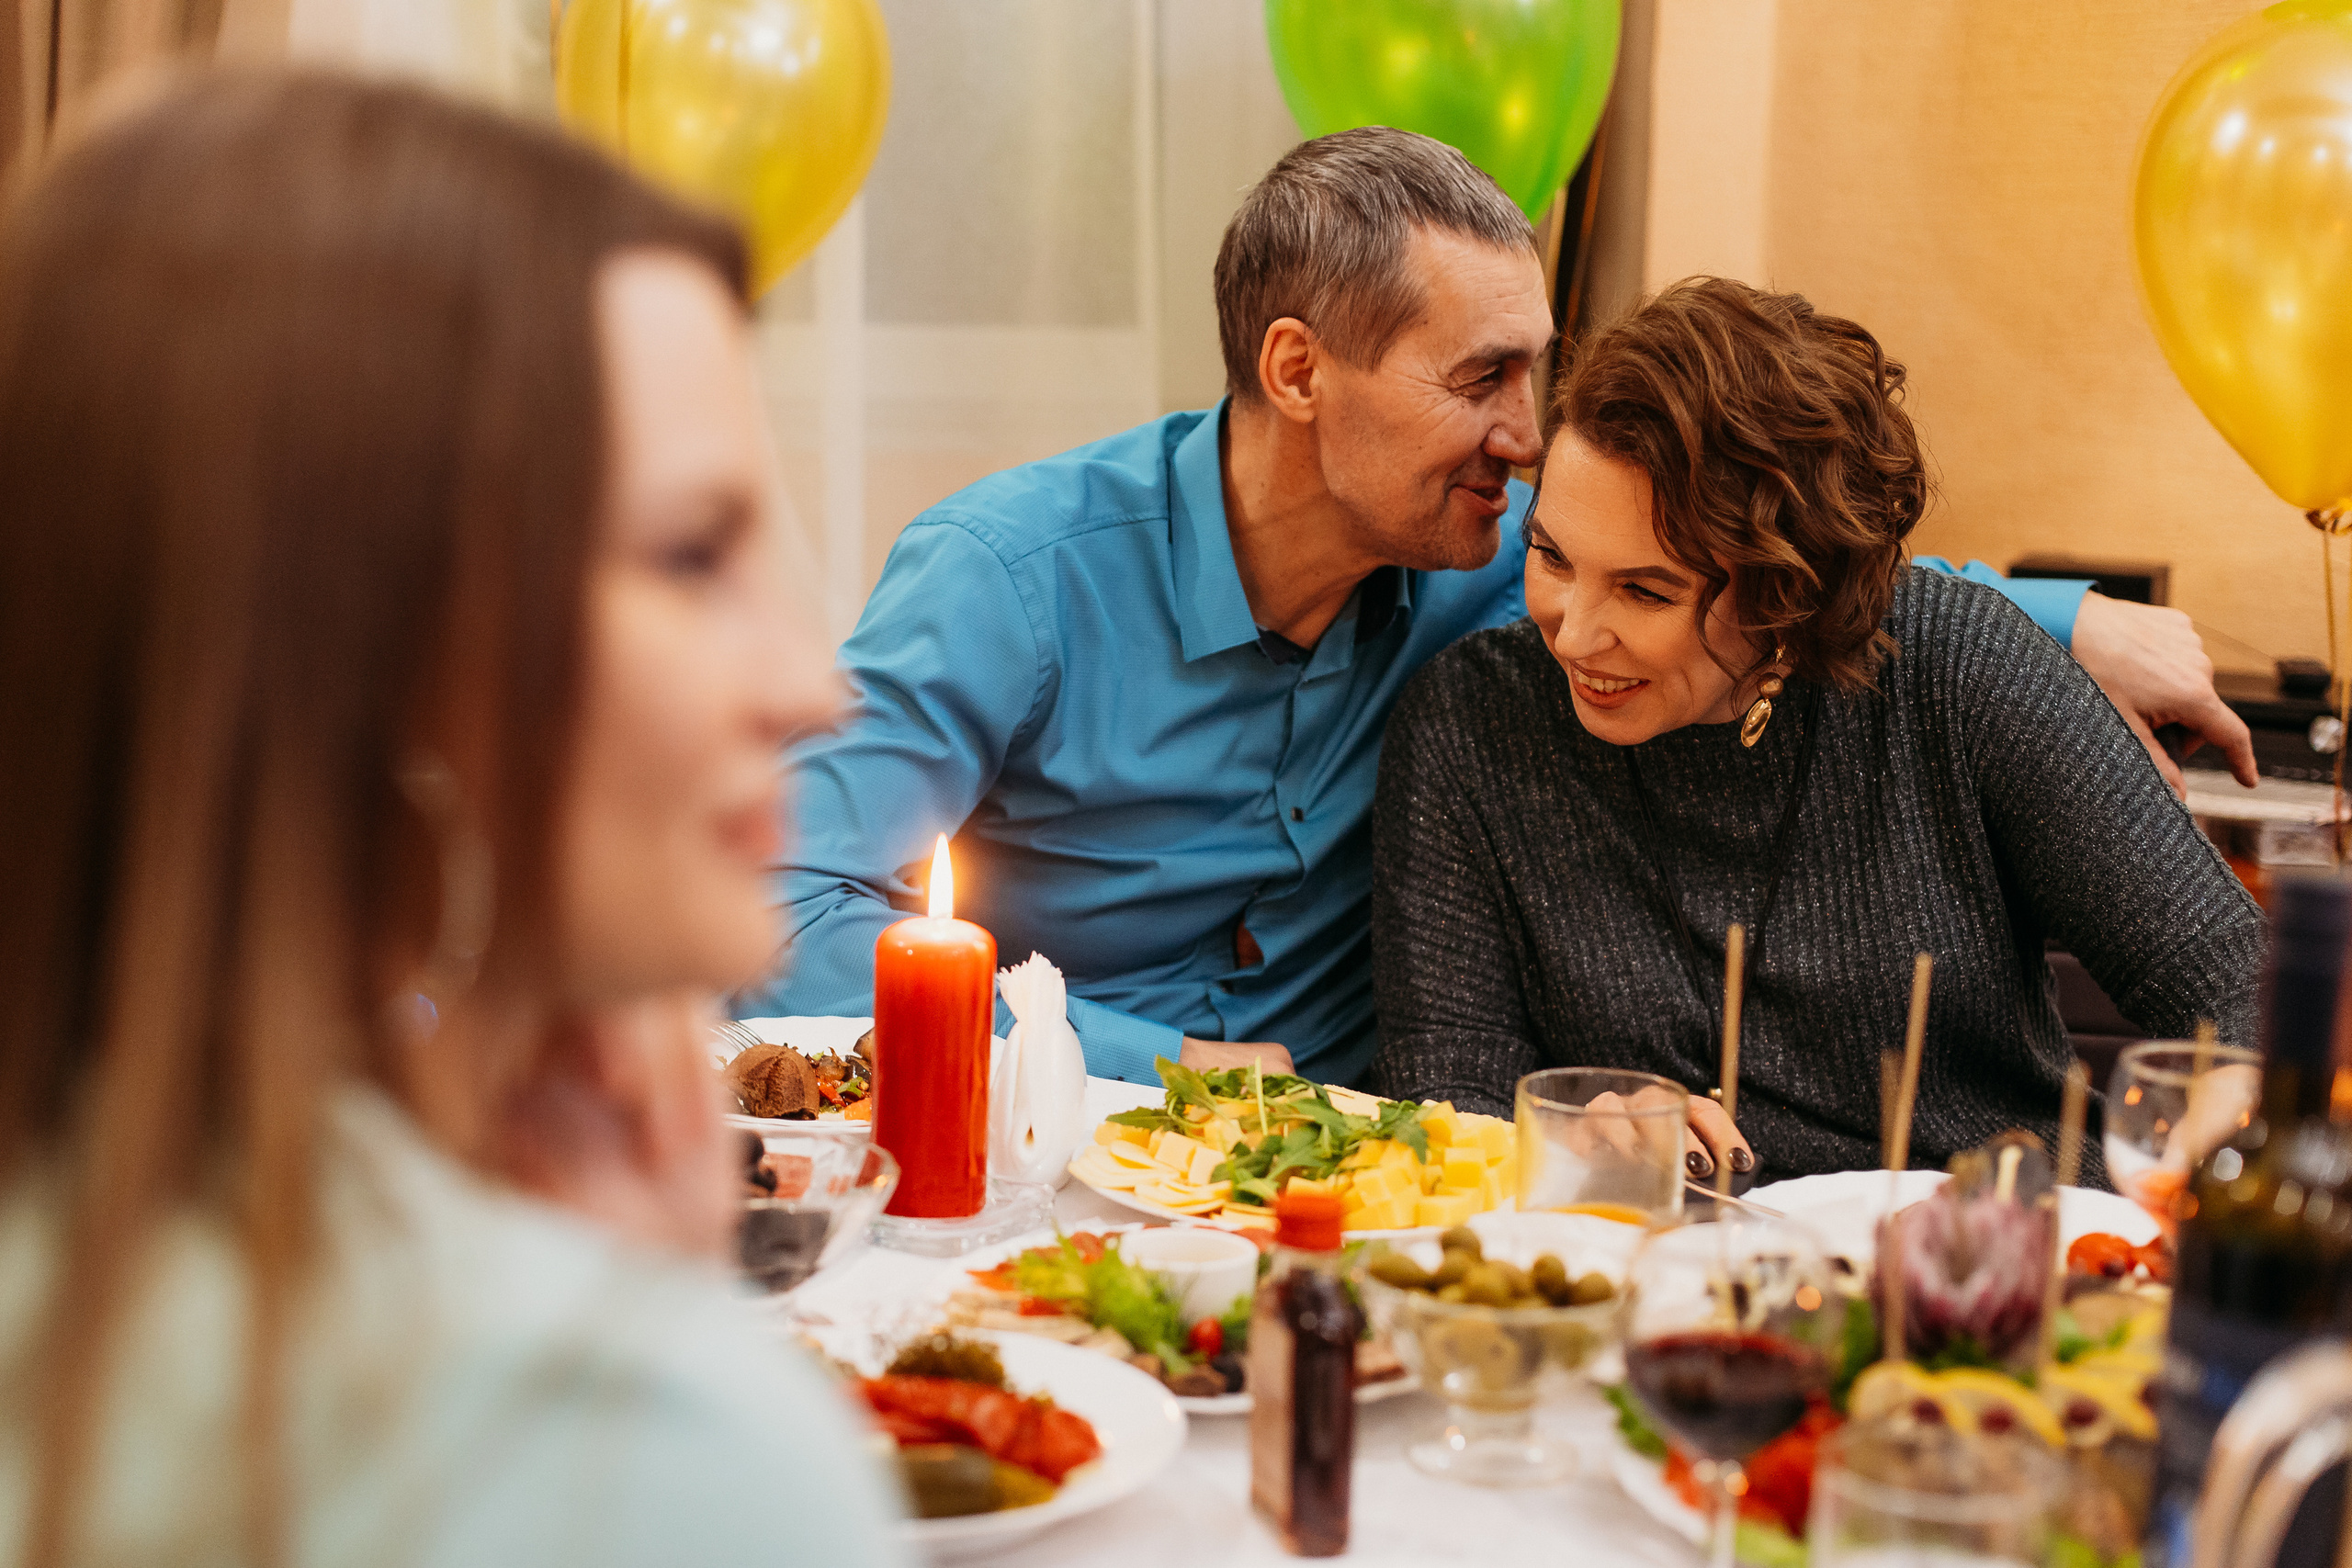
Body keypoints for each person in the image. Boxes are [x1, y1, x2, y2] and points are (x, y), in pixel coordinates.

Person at [759, 127, 2256, 1091]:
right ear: (1297, 374)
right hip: (1076, 1142)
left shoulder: (1516, 545)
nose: (1532, 435)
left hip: (1366, 1182)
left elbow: (1756, 555)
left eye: (1536, 370)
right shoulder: (1012, 578)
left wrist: (2058, 620)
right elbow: (775, 912)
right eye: (1481, 379)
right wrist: (1163, 1067)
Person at [0, 72, 903, 1566]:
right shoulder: (653, 1457)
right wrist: (650, 1342)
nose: (812, 683)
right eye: (693, 556)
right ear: (360, 653)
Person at [1367, 277, 2261, 1186]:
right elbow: (1444, 1097)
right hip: (1684, 1281)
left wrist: (2230, 1108)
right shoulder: (1471, 725)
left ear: (1784, 595)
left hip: (2007, 1258)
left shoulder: (1956, 668)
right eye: (1551, 555)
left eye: (1645, 590)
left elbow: (2232, 978)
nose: (1574, 629)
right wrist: (1564, 1126)